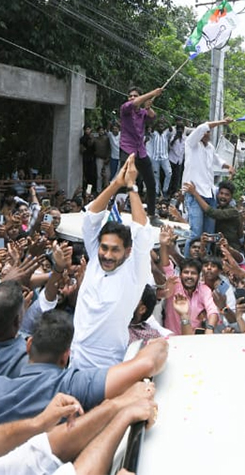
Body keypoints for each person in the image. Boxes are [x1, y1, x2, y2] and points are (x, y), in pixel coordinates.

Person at [0, 311, 168, 427]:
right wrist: (160, 342)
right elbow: (148, 363)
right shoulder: (73, 388)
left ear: (28, 345)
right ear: (66, 356)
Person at [69, 155, 157, 369]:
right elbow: (91, 217)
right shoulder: (95, 262)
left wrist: (131, 187)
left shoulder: (135, 273)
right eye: (104, 248)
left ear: (128, 252)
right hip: (74, 363)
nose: (107, 255)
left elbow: (143, 233)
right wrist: (115, 184)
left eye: (115, 250)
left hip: (107, 370)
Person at [181, 117, 235, 251]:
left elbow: (218, 161)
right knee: (196, 233)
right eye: (205, 131)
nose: (206, 133)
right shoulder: (191, 143)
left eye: (208, 132)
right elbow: (202, 127)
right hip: (194, 193)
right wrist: (222, 122)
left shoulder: (210, 148)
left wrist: (228, 166)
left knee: (210, 235)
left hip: (210, 194)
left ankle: (206, 262)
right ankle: (188, 264)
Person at [119, 86, 162, 218]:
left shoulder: (142, 112)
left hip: (141, 151)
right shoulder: (125, 108)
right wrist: (152, 93)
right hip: (127, 149)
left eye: (135, 95)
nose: (132, 97)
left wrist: (148, 107)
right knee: (124, 182)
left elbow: (153, 116)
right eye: (130, 96)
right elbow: (134, 103)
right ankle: (116, 209)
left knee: (151, 183)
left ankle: (151, 214)